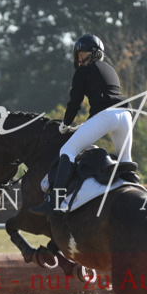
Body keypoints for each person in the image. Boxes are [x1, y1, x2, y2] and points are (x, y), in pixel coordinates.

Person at [31, 34, 133, 214]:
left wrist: (66, 123)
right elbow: (105, 99)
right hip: (126, 115)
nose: (79, 60)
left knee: (67, 151)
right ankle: (135, 197)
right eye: (77, 56)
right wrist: (86, 125)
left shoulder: (83, 72)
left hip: (106, 116)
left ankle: (55, 201)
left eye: (82, 55)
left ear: (93, 54)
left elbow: (75, 102)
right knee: (125, 161)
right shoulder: (110, 69)